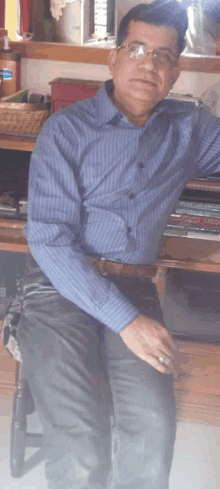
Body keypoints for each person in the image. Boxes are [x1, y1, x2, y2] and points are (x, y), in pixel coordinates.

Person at [7, 1, 220, 488]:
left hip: (135, 288)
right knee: (81, 447)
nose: (150, 63)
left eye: (164, 55)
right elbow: (50, 242)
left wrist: (130, 315)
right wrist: (126, 322)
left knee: (153, 430)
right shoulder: (66, 130)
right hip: (57, 287)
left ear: (176, 70)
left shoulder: (189, 129)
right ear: (114, 56)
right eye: (138, 48)